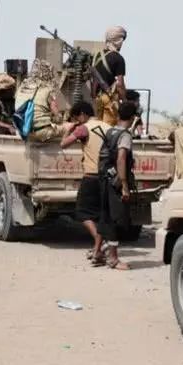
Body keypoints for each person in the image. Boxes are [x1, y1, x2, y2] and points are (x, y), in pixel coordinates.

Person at [60, 101, 112, 264]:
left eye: (77, 118)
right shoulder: (108, 127)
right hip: (107, 177)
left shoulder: (84, 128)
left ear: (82, 114)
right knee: (101, 214)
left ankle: (99, 242)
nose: (77, 121)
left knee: (82, 212)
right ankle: (97, 250)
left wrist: (68, 129)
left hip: (91, 176)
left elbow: (63, 144)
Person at [95, 101, 138, 270]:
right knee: (117, 219)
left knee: (105, 215)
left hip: (104, 179)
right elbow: (121, 158)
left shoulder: (110, 131)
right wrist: (124, 184)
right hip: (115, 182)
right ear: (133, 117)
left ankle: (97, 252)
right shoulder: (125, 135)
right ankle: (113, 258)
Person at [15, 59, 72, 142]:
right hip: (41, 132)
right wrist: (60, 120)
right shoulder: (47, 89)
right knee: (69, 127)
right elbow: (56, 114)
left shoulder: (21, 88)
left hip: (23, 132)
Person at [92, 26, 128, 126]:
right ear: (118, 41)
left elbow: (95, 79)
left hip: (98, 98)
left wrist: (94, 96)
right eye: (121, 41)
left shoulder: (97, 55)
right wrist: (124, 100)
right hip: (110, 99)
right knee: (108, 127)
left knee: (98, 127)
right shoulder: (118, 58)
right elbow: (120, 84)